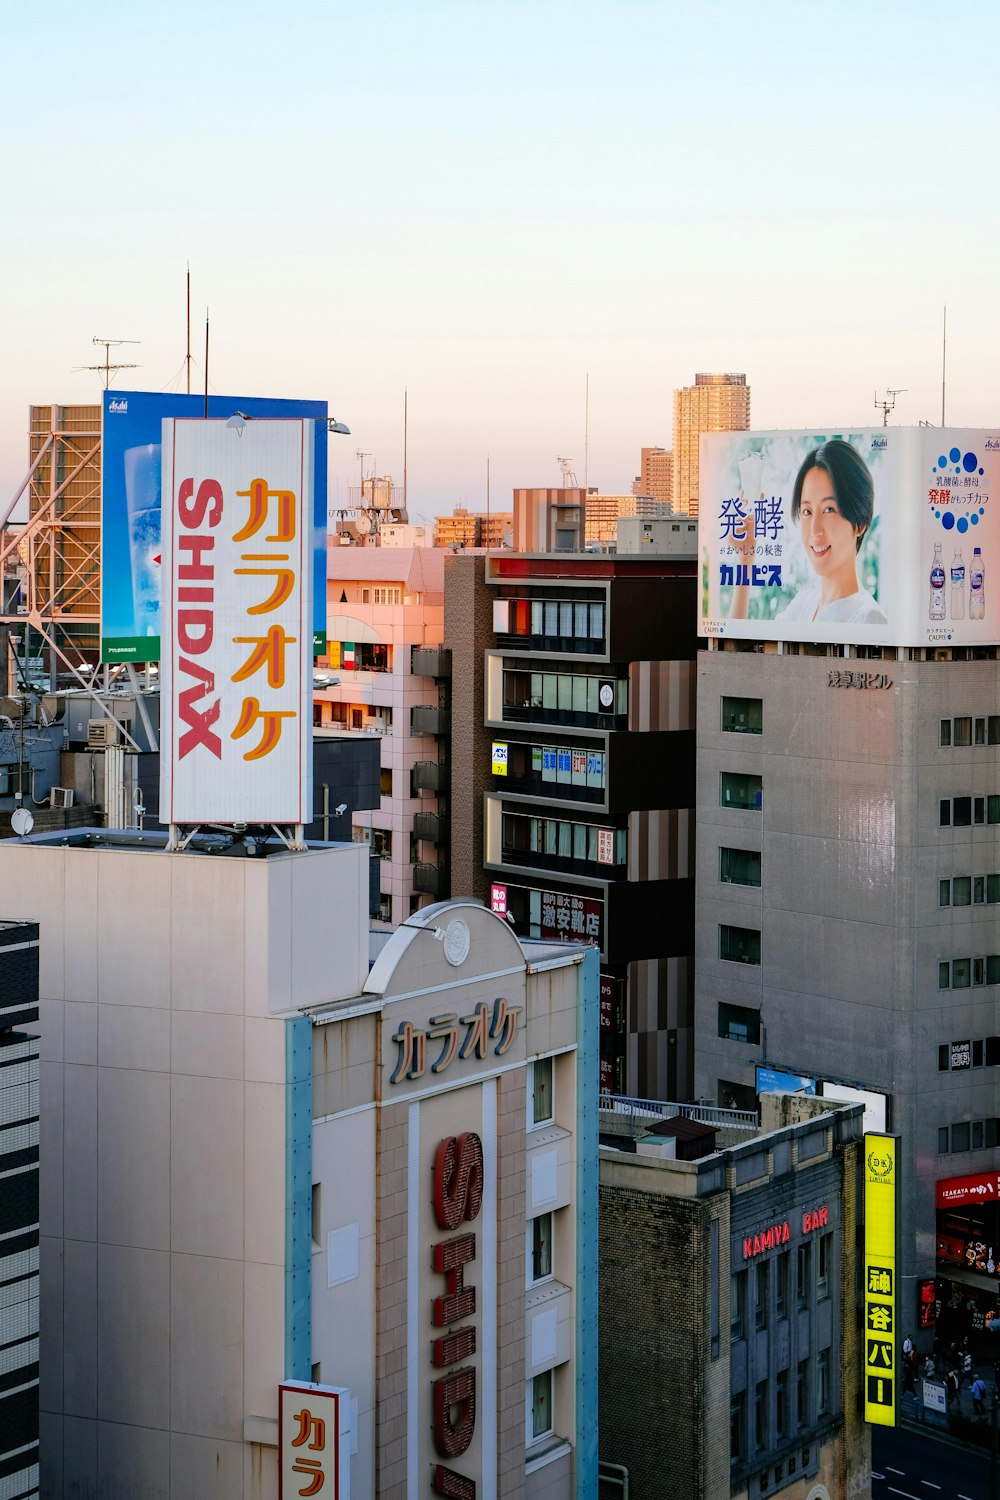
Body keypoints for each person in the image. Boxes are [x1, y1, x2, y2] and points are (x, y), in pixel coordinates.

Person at [727, 439, 887, 626]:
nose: (814, 530)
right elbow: (736, 649)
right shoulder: (803, 604)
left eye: (829, 509)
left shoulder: (869, 617)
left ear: (860, 522)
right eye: (807, 512)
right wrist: (746, 557)